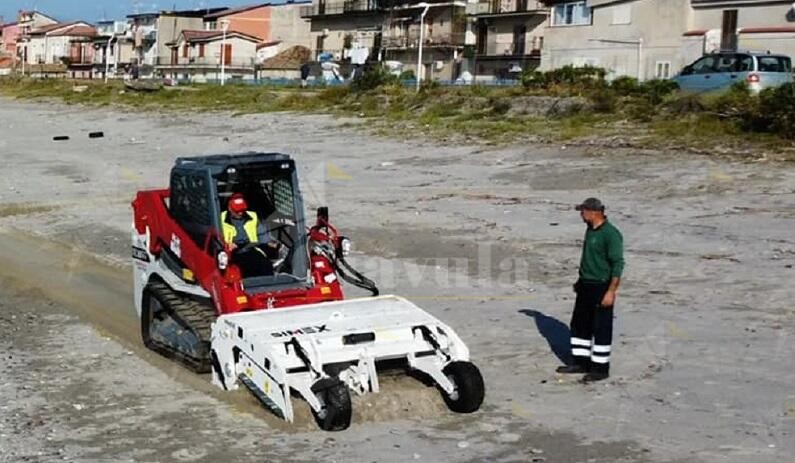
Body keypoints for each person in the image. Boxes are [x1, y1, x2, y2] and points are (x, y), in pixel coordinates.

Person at [556, 197, 625, 383]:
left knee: (601, 327)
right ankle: (581, 363)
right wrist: (580, 281)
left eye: (583, 211)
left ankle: (601, 368)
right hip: (586, 284)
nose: (581, 214)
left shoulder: (611, 234)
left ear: (594, 212)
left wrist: (611, 291)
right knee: (580, 325)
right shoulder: (590, 230)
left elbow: (618, 264)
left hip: (601, 285)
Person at [220, 193, 279, 277]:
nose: (240, 213)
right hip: (233, 251)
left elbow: (261, 233)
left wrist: (268, 243)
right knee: (239, 268)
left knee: (265, 265)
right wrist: (226, 245)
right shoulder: (221, 218)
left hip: (251, 247)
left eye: (242, 210)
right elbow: (216, 236)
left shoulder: (252, 216)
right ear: (230, 208)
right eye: (237, 211)